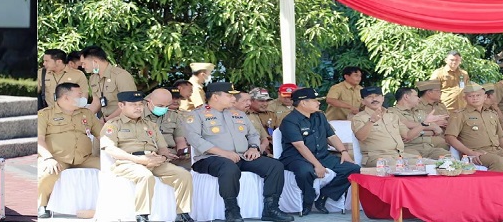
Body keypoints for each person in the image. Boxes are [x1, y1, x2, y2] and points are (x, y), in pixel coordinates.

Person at [185, 82, 293, 222]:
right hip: (210, 159)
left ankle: (271, 208)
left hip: (242, 156)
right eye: (229, 95)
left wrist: (254, 147)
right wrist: (223, 153)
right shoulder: (196, 115)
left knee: (275, 166)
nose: (233, 99)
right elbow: (195, 139)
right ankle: (232, 211)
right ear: (216, 97)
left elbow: (253, 134)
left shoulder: (238, 114)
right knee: (228, 167)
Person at [101, 91, 194, 222]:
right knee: (145, 176)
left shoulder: (150, 125)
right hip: (128, 162)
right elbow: (110, 149)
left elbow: (162, 148)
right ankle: (142, 215)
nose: (138, 108)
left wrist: (162, 158)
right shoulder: (113, 125)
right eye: (133, 105)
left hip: (153, 160)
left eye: (140, 104)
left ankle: (183, 214)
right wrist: (139, 160)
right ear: (121, 105)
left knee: (183, 175)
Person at [445, 84, 503, 210]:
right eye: (471, 96)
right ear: (465, 98)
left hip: (497, 150)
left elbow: (500, 137)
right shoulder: (459, 115)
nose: (475, 98)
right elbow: (450, 137)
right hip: (477, 153)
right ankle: (493, 199)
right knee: (500, 162)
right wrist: (470, 152)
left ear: (485, 97)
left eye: (478, 95)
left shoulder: (491, 114)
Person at [279, 87, 360, 216]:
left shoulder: (320, 116)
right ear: (303, 102)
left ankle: (324, 195)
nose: (318, 103)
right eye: (314, 100)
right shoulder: (290, 120)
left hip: (322, 155)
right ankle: (307, 201)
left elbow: (331, 136)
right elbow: (300, 146)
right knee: (305, 172)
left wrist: (343, 151)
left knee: (353, 168)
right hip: (297, 157)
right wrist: (317, 165)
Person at [37, 82, 102, 218]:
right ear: (66, 97)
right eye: (79, 95)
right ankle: (42, 205)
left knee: (113, 168)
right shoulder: (45, 115)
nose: (83, 97)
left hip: (85, 158)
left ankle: (111, 204)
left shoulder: (86, 114)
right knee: (48, 174)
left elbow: (102, 135)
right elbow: (39, 139)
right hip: (57, 158)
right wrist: (48, 158)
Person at [351, 87, 422, 166]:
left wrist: (424, 124)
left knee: (433, 165)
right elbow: (360, 137)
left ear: (383, 98)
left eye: (377, 96)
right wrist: (371, 121)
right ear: (363, 101)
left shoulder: (392, 115)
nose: (374, 99)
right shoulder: (359, 118)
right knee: (402, 168)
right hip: (377, 158)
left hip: (399, 156)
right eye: (369, 97)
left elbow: (407, 135)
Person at [386, 86, 450, 159]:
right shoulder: (392, 112)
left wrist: (418, 130)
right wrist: (430, 127)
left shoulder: (419, 112)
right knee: (418, 163)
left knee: (449, 158)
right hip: (408, 148)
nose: (419, 99)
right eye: (416, 96)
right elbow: (406, 131)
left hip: (427, 147)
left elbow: (438, 130)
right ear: (406, 97)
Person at [81, 46, 137, 121]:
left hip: (124, 121)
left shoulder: (120, 75)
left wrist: (108, 120)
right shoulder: (93, 78)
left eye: (84, 63)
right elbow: (96, 102)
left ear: (95, 62)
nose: (82, 66)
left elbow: (129, 103)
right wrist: (84, 117)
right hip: (106, 120)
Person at [143, 88, 190, 168]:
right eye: (160, 106)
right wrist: (162, 153)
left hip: (172, 155)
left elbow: (180, 141)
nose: (164, 108)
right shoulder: (138, 115)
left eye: (167, 106)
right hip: (150, 154)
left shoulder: (174, 116)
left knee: (195, 166)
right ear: (149, 100)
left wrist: (182, 153)